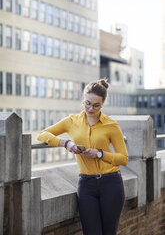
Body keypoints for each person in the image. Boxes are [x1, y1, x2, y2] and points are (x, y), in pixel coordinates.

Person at [37, 79, 128, 235]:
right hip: (86, 185)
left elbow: (124, 158)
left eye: (96, 105)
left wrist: (100, 154)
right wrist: (66, 143)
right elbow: (42, 134)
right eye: (87, 103)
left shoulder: (111, 125)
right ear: (82, 100)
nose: (90, 108)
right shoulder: (71, 121)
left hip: (111, 183)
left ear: (102, 104)